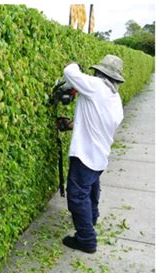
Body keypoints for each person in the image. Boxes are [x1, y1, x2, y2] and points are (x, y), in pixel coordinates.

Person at [59, 55, 125, 254]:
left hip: (85, 156)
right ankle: (91, 219)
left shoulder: (96, 86)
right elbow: (97, 123)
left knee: (78, 196)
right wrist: (72, 125)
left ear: (100, 73)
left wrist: (73, 63)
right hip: (100, 156)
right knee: (91, 190)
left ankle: (86, 239)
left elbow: (70, 72)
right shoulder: (115, 99)